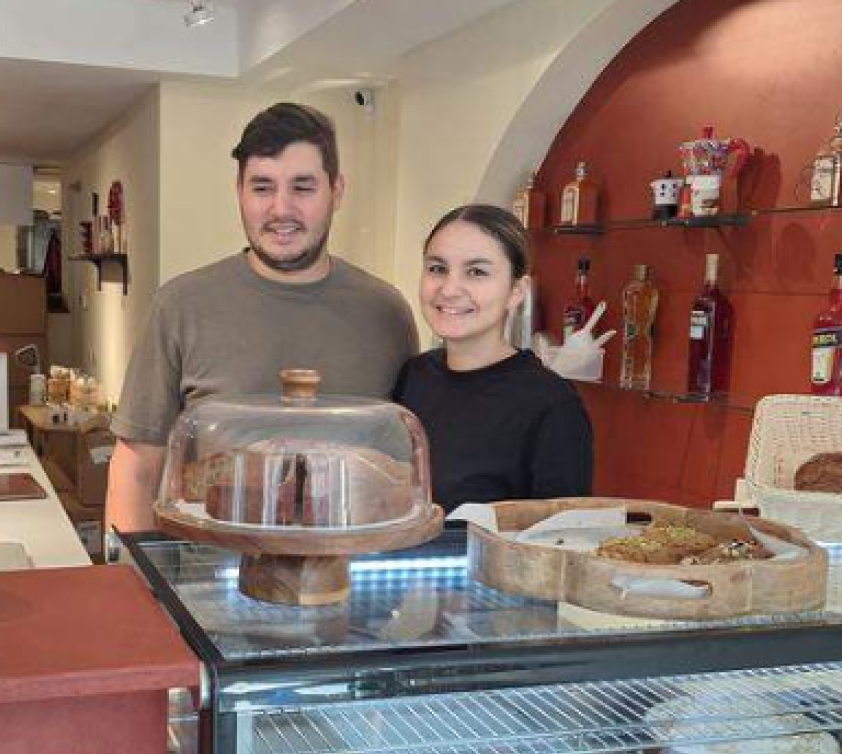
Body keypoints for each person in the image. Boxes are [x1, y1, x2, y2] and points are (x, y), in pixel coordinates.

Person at [107, 103, 419, 532]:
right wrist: (129, 567)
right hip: (208, 566)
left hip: (354, 567)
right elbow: (138, 469)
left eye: (303, 187)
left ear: (337, 191)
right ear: (239, 191)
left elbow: (403, 469)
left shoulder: (387, 312)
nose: (280, 208)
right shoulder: (180, 305)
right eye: (262, 187)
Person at [393, 204, 593, 512]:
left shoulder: (551, 406)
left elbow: (562, 533)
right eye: (437, 268)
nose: (449, 289)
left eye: (476, 272)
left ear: (517, 291)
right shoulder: (414, 375)